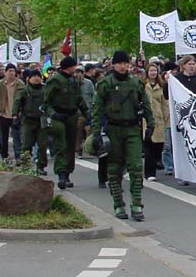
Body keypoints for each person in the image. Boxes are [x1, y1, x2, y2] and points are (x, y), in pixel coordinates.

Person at [92, 50, 154, 220]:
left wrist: (150, 124)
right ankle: (118, 204)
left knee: (135, 167)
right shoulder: (105, 84)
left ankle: (137, 204)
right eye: (119, 63)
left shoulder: (135, 83)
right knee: (114, 169)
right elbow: (97, 109)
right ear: (113, 64)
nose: (122, 66)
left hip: (132, 129)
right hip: (113, 129)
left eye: (125, 63)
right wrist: (96, 132)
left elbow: (146, 104)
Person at [43, 56, 88, 189]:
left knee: (70, 145)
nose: (76, 68)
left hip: (72, 115)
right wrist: (53, 114)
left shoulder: (74, 81)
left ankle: (67, 172)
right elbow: (46, 103)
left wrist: (87, 113)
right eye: (74, 66)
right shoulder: (55, 81)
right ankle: (61, 173)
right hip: (58, 116)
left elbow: (79, 99)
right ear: (68, 67)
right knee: (61, 144)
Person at [163, 55, 196, 186]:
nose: (192, 66)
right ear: (184, 65)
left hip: (195, 117)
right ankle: (184, 174)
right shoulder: (177, 79)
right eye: (189, 64)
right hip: (181, 117)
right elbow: (167, 94)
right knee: (183, 146)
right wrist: (167, 82)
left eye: (193, 64)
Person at [12, 69, 48, 174]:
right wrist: (15, 115)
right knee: (26, 145)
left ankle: (41, 166)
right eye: (34, 76)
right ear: (29, 78)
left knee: (42, 145)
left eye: (38, 76)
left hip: (42, 120)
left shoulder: (45, 90)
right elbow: (17, 102)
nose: (36, 78)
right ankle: (25, 165)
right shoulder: (24, 90)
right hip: (28, 120)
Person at [0, 62, 25, 164]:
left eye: (13, 71)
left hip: (16, 115)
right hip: (3, 114)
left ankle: (18, 156)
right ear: (5, 72)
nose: (11, 73)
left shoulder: (20, 84)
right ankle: (4, 156)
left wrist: (21, 112)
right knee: (3, 137)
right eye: (9, 71)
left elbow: (24, 99)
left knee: (17, 137)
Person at [144, 63, 168, 181]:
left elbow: (164, 104)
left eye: (155, 70)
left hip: (159, 120)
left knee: (158, 146)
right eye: (151, 70)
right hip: (146, 120)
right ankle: (149, 172)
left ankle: (153, 168)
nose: (153, 73)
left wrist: (166, 118)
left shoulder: (161, 86)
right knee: (148, 147)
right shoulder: (143, 86)